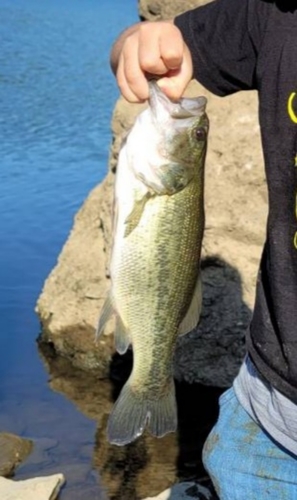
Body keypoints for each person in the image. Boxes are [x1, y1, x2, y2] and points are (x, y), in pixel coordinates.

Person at [110, 1, 297, 498]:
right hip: (268, 414)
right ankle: (150, 380)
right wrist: (140, 44)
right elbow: (142, 43)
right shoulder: (274, 16)